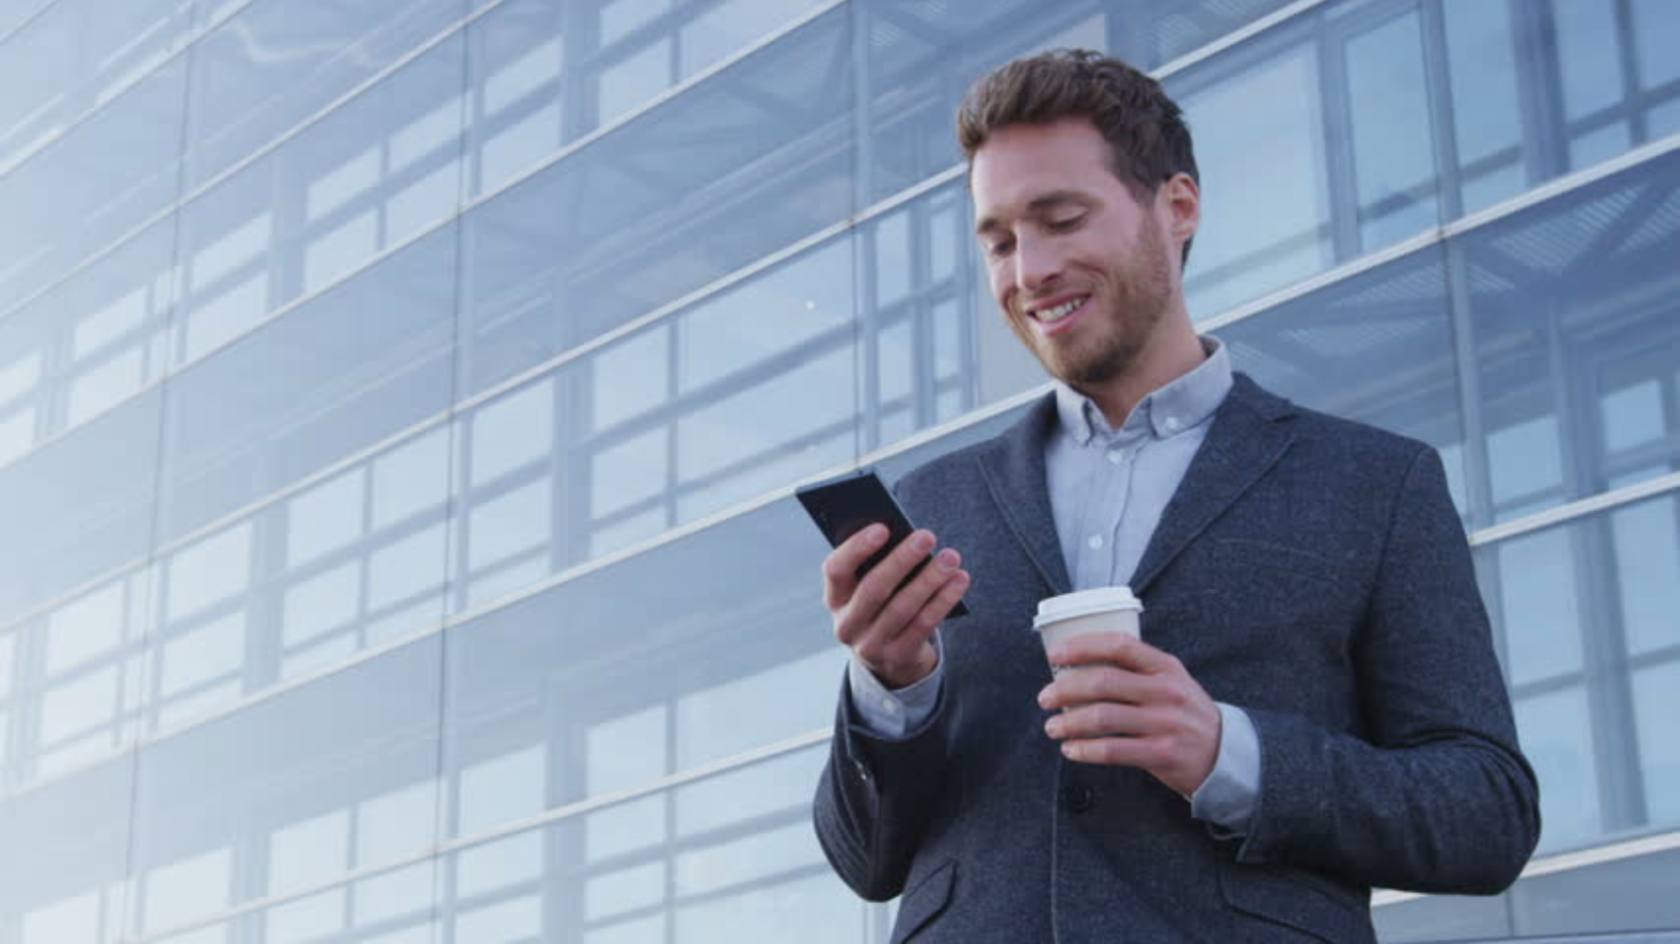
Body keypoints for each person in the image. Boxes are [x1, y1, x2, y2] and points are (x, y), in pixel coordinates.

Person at [811, 49, 1539, 943]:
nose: (1029, 269)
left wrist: (1228, 754)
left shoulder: (1376, 484)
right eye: (998, 240)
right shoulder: (934, 502)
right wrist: (891, 689)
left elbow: (1486, 815)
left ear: (1178, 207)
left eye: (1063, 218)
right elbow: (865, 858)